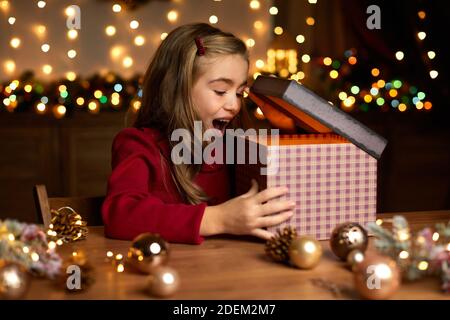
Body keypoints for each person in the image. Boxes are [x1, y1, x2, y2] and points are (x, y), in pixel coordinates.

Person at [101, 23, 295, 244]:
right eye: (220, 91)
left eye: (240, 93)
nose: (234, 105)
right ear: (178, 90)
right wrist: (218, 219)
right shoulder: (139, 145)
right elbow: (121, 216)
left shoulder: (235, 146)